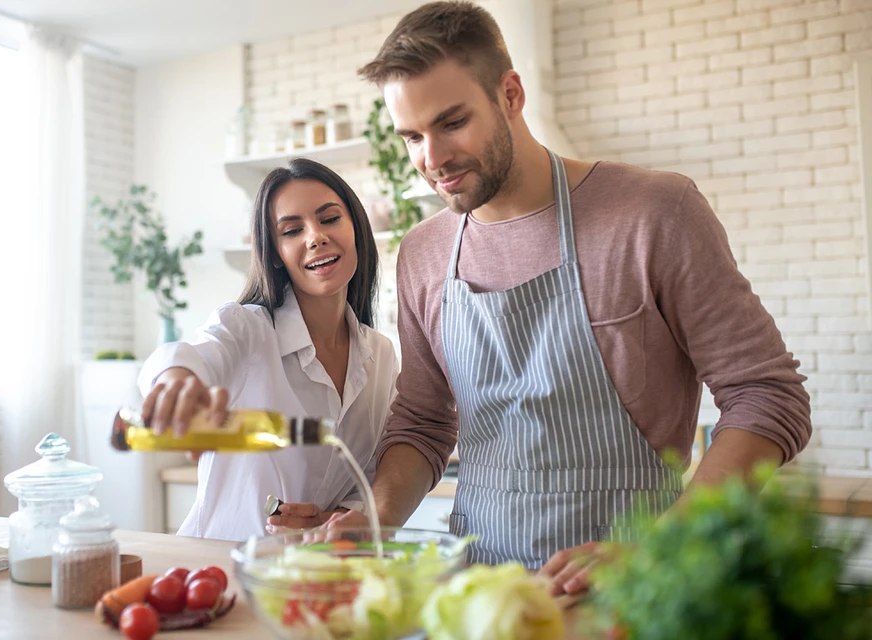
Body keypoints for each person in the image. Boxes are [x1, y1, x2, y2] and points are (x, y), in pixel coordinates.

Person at [307, 1, 812, 594]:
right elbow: (422, 422)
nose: (432, 159)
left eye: (451, 122)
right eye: (412, 136)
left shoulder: (654, 214)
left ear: (511, 94)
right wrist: (376, 517)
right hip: (482, 597)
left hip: (638, 593)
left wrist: (664, 547)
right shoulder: (423, 252)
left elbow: (767, 396)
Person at [137, 158, 398, 542]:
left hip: (313, 575)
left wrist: (333, 519)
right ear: (276, 253)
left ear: (356, 228)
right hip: (219, 570)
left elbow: (371, 478)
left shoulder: (381, 355)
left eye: (329, 219)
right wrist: (178, 379)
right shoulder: (246, 330)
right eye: (292, 230)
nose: (315, 237)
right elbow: (195, 355)